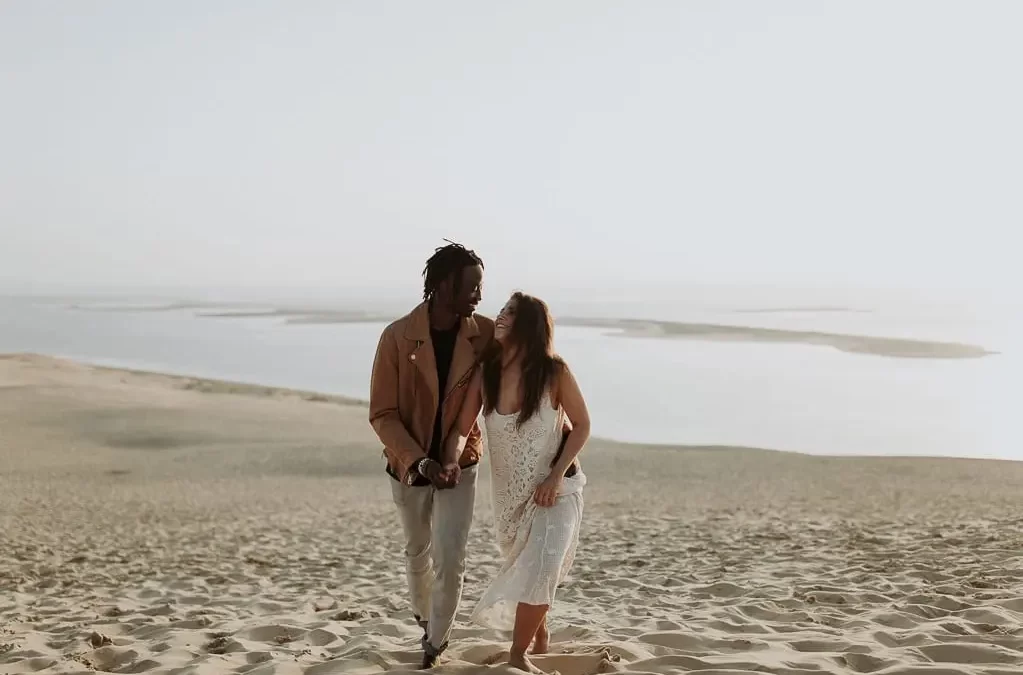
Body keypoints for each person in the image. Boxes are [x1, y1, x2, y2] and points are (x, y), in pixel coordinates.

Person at [446, 291, 590, 673]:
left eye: (510, 312)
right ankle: (540, 635)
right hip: (509, 498)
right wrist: (449, 460)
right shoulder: (487, 373)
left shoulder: (554, 373)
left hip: (557, 489)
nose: (501, 316)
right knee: (529, 567)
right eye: (503, 310)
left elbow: (583, 426)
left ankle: (517, 653)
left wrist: (555, 476)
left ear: (527, 325)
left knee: (542, 566)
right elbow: (463, 427)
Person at [367, 241, 494, 669]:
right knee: (418, 551)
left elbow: (530, 357)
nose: (479, 295)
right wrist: (419, 461)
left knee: (451, 556)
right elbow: (382, 414)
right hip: (408, 466)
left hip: (463, 462)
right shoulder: (396, 337)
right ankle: (425, 617)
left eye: (481, 286)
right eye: (471, 286)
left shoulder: (485, 334)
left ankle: (436, 642)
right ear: (442, 286)